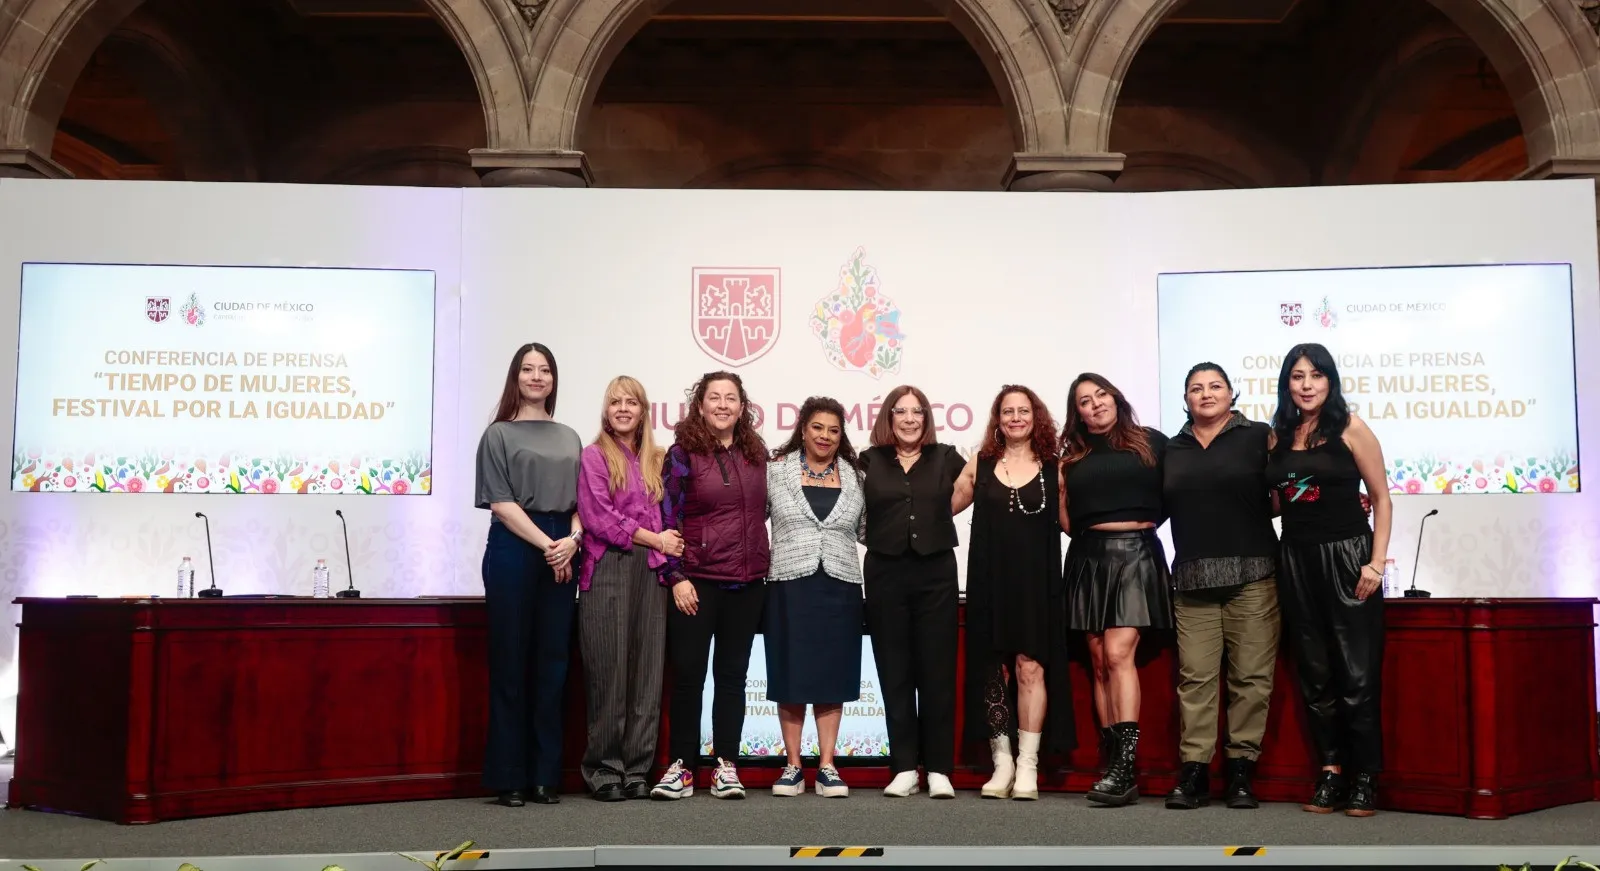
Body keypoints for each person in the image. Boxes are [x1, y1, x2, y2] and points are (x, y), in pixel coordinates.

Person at [1265, 343, 1393, 818]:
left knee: (1357, 675)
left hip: (1348, 557)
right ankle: (1331, 771)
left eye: (1316, 376)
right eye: (1297, 376)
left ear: (1330, 381)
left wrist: (1375, 564)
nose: (1307, 385)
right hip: (1295, 559)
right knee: (1315, 673)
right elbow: (1282, 499)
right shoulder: (1278, 436)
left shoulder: (1350, 427)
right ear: (1287, 383)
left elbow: (1381, 497)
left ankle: (1365, 778)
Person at [1161, 363, 1280, 810]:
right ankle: (1194, 772)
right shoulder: (1171, 448)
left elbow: (1284, 493)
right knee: (1195, 680)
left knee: (1251, 679)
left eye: (1215, 386)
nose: (1206, 394)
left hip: (1253, 576)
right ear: (1185, 399)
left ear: (1232, 393)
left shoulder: (1260, 436)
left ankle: (1241, 772)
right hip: (1192, 581)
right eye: (1196, 388)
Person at [650, 371, 771, 800]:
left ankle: (726, 766)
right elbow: (667, 518)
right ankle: (682, 767)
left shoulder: (757, 454)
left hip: (747, 584)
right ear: (700, 405)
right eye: (714, 397)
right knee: (688, 677)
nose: (722, 405)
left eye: (730, 398)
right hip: (696, 583)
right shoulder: (682, 454)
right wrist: (675, 576)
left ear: (742, 406)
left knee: (733, 678)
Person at [474, 342, 584, 807]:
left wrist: (572, 541)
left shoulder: (570, 436)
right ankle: (510, 778)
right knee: (511, 662)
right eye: (528, 369)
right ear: (515, 377)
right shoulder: (497, 434)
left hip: (563, 547)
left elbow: (583, 503)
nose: (537, 377)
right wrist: (549, 546)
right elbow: (501, 504)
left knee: (553, 665)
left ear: (553, 380)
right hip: (515, 547)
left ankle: (544, 776)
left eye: (545, 370)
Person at [1058, 372, 1172, 807]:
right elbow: (1066, 521)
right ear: (1078, 413)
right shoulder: (1072, 458)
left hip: (1137, 553)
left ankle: (1126, 767)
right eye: (1085, 401)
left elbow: (1176, 495)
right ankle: (1112, 764)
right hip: (1088, 557)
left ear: (1116, 398)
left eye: (1101, 394)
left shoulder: (1151, 442)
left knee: (1119, 653)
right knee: (1100, 662)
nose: (1095, 404)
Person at [956, 384, 1073, 800]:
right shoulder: (980, 463)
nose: (1016, 418)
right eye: (1008, 411)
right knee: (994, 670)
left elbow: (1072, 525)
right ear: (998, 420)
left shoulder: (1055, 467)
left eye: (1024, 411)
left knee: (1030, 669)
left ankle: (1027, 765)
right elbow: (940, 506)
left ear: (1036, 417)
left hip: (1037, 585)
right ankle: (1002, 762)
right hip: (989, 581)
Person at [574, 376, 685, 802]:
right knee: (609, 672)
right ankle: (605, 769)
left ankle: (638, 768)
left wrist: (670, 546)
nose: (623, 408)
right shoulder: (594, 456)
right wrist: (657, 539)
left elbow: (672, 514)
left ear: (643, 411)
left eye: (631, 402)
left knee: (646, 675)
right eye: (615, 402)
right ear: (606, 411)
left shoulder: (658, 459)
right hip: (608, 567)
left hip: (651, 573)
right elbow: (598, 517)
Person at [859, 385, 967, 799]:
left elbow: (978, 487)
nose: (909, 419)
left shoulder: (947, 457)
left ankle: (938, 768)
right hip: (885, 573)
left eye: (917, 412)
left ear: (926, 418)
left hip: (936, 573)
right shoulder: (868, 460)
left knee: (937, 671)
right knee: (894, 671)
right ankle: (904, 767)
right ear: (888, 417)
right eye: (900, 412)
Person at [764, 396, 867, 798]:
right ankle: (792, 766)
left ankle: (827, 766)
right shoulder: (775, 471)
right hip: (789, 584)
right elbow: (750, 519)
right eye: (818, 428)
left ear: (842, 436)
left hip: (841, 586)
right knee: (790, 674)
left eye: (834, 430)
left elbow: (868, 530)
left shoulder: (857, 476)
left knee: (832, 675)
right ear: (803, 430)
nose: (825, 436)